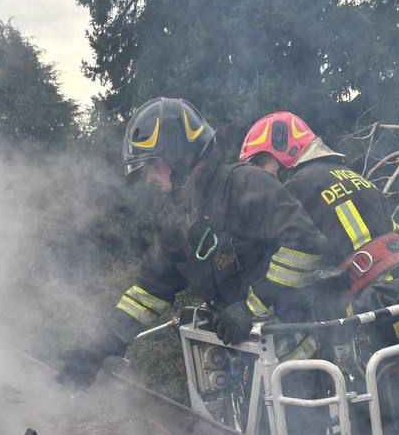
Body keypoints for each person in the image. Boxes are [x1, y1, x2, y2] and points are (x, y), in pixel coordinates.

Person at [238, 111, 399, 435]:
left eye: (264, 166)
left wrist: (249, 308)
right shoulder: (357, 178)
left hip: (364, 316)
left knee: (368, 420)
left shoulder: (297, 190)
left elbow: (294, 262)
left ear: (283, 151)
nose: (266, 180)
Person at [58, 97, 330, 389]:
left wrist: (251, 308)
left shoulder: (245, 184)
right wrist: (99, 346)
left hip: (302, 361)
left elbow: (305, 244)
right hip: (251, 369)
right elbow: (148, 292)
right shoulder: (176, 222)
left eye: (152, 164)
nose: (148, 177)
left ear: (180, 157)